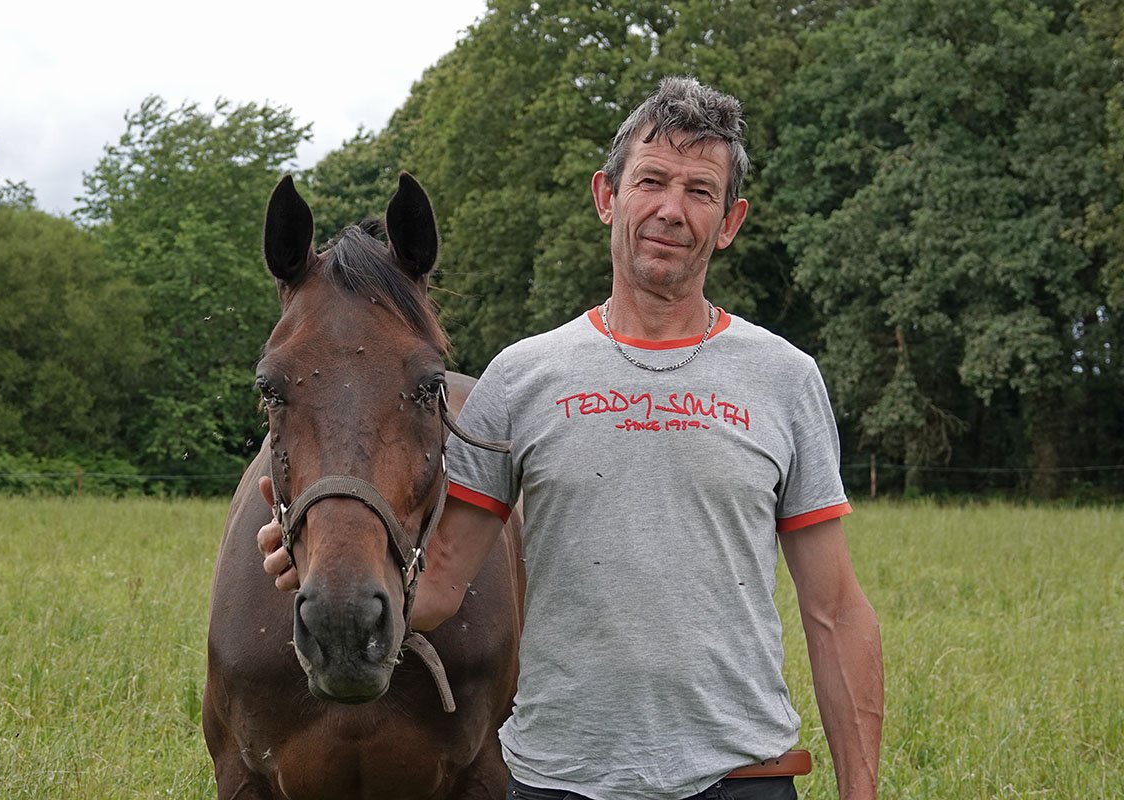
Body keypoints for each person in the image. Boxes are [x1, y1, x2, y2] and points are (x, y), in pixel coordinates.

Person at [258, 76, 883, 800]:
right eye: (651, 181)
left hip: (742, 778)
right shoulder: (519, 380)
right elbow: (437, 587)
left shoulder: (784, 378)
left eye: (700, 191)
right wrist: (332, 560)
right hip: (561, 782)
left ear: (730, 220)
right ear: (607, 196)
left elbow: (835, 612)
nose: (671, 209)